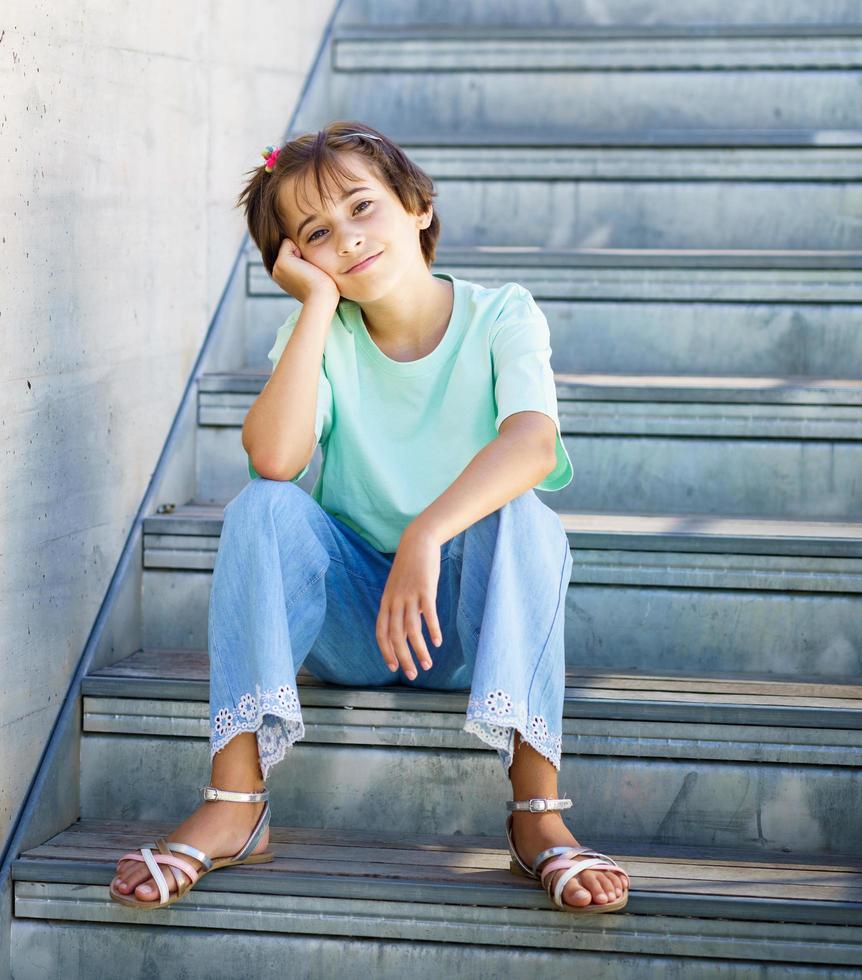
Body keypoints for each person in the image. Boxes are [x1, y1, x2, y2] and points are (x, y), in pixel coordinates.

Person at [108, 120, 630, 914]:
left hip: (462, 627)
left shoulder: (501, 315)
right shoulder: (321, 331)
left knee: (524, 515)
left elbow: (532, 442)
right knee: (264, 508)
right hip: (357, 625)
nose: (347, 240)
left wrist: (427, 533)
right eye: (317, 234)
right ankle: (236, 801)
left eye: (362, 208)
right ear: (298, 260)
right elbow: (275, 459)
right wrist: (316, 307)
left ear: (417, 207)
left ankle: (537, 813)